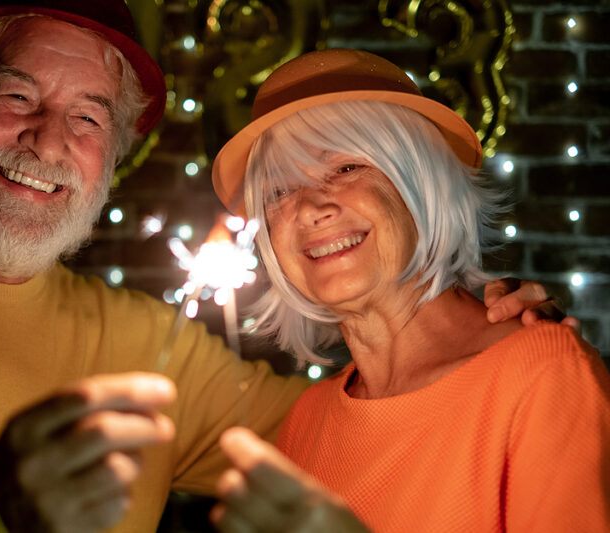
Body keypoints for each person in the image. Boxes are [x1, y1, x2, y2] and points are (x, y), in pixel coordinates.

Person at [0, 2, 568, 530]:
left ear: (115, 157)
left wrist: (493, 338)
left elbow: (392, 428)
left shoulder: (156, 356)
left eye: (88, 117)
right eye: (16, 95)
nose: (48, 140)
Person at [209, 49, 610, 532]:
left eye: (345, 167)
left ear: (421, 181)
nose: (312, 207)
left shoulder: (543, 371)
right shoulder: (306, 420)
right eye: (279, 191)